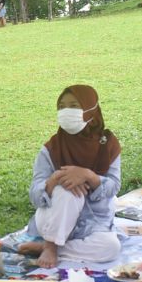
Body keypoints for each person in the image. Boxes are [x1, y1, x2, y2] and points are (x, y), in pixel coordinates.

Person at [19, 85, 122, 269]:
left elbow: (114, 186)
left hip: (93, 222)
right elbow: (35, 195)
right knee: (67, 190)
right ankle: (50, 246)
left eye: (74, 106)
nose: (67, 111)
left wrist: (89, 176)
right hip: (53, 219)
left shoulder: (108, 145)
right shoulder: (52, 148)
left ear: (90, 109)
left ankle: (51, 249)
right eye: (62, 107)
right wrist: (54, 181)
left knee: (111, 248)